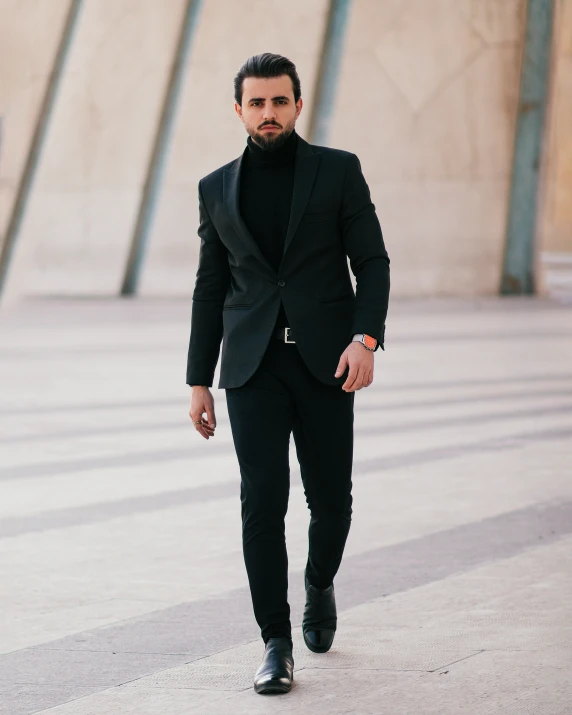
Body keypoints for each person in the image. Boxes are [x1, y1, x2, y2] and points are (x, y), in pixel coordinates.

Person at [186, 53, 390, 695]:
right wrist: (198, 378)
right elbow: (210, 286)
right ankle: (275, 642)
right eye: (257, 103)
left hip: (328, 363)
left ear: (298, 105)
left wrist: (365, 339)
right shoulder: (216, 187)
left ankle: (320, 581)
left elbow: (374, 263)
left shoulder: (338, 171)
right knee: (261, 500)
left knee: (331, 502)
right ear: (240, 109)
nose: (268, 113)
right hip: (251, 369)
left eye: (279, 101)